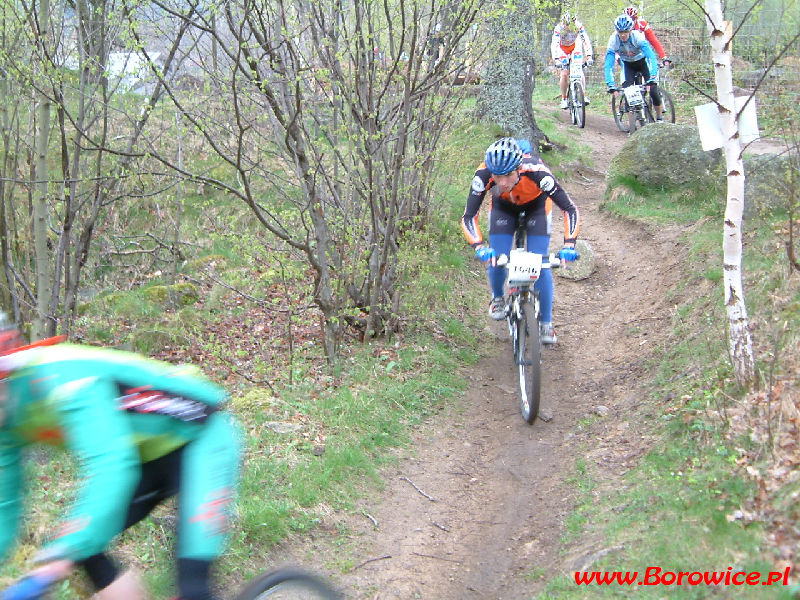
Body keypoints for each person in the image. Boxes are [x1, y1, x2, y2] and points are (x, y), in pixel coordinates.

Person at [0, 317, 241, 600]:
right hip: (144, 457)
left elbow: (110, 464)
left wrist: (66, 549)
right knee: (85, 548)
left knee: (193, 585)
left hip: (201, 438)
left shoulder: (62, 380)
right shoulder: (7, 420)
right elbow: (5, 504)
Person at [461, 138, 580, 344]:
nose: (503, 182)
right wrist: (479, 246)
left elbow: (569, 209)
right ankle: (498, 297)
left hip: (537, 207)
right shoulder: (483, 174)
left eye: (508, 175)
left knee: (541, 264)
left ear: (518, 168)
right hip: (503, 208)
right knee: (497, 258)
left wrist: (569, 244)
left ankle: (546, 324)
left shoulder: (537, 172)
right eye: (498, 177)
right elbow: (469, 216)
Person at [604, 14, 664, 121]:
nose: (623, 35)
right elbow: (609, 64)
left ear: (630, 30)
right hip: (628, 65)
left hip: (643, 63)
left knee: (653, 91)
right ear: (617, 31)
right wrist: (610, 83)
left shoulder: (638, 37)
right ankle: (632, 126)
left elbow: (651, 57)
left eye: (626, 32)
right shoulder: (613, 40)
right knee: (628, 93)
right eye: (620, 32)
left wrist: (653, 75)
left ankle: (659, 118)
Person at [551, 12, 594, 109]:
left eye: (570, 24)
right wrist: (556, 59)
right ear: (563, 23)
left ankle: (584, 95)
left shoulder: (578, 26)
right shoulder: (559, 28)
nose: (568, 27)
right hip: (562, 50)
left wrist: (589, 55)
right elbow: (555, 44)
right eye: (566, 24)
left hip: (574, 48)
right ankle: (564, 99)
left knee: (579, 70)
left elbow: (585, 40)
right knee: (564, 73)